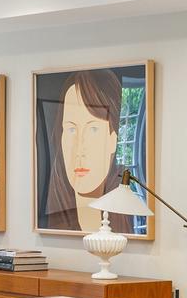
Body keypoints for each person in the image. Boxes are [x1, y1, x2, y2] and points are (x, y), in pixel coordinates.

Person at [40, 68, 145, 234]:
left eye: (93, 129)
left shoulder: (122, 214)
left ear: (113, 139)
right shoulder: (54, 216)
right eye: (71, 129)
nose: (79, 149)